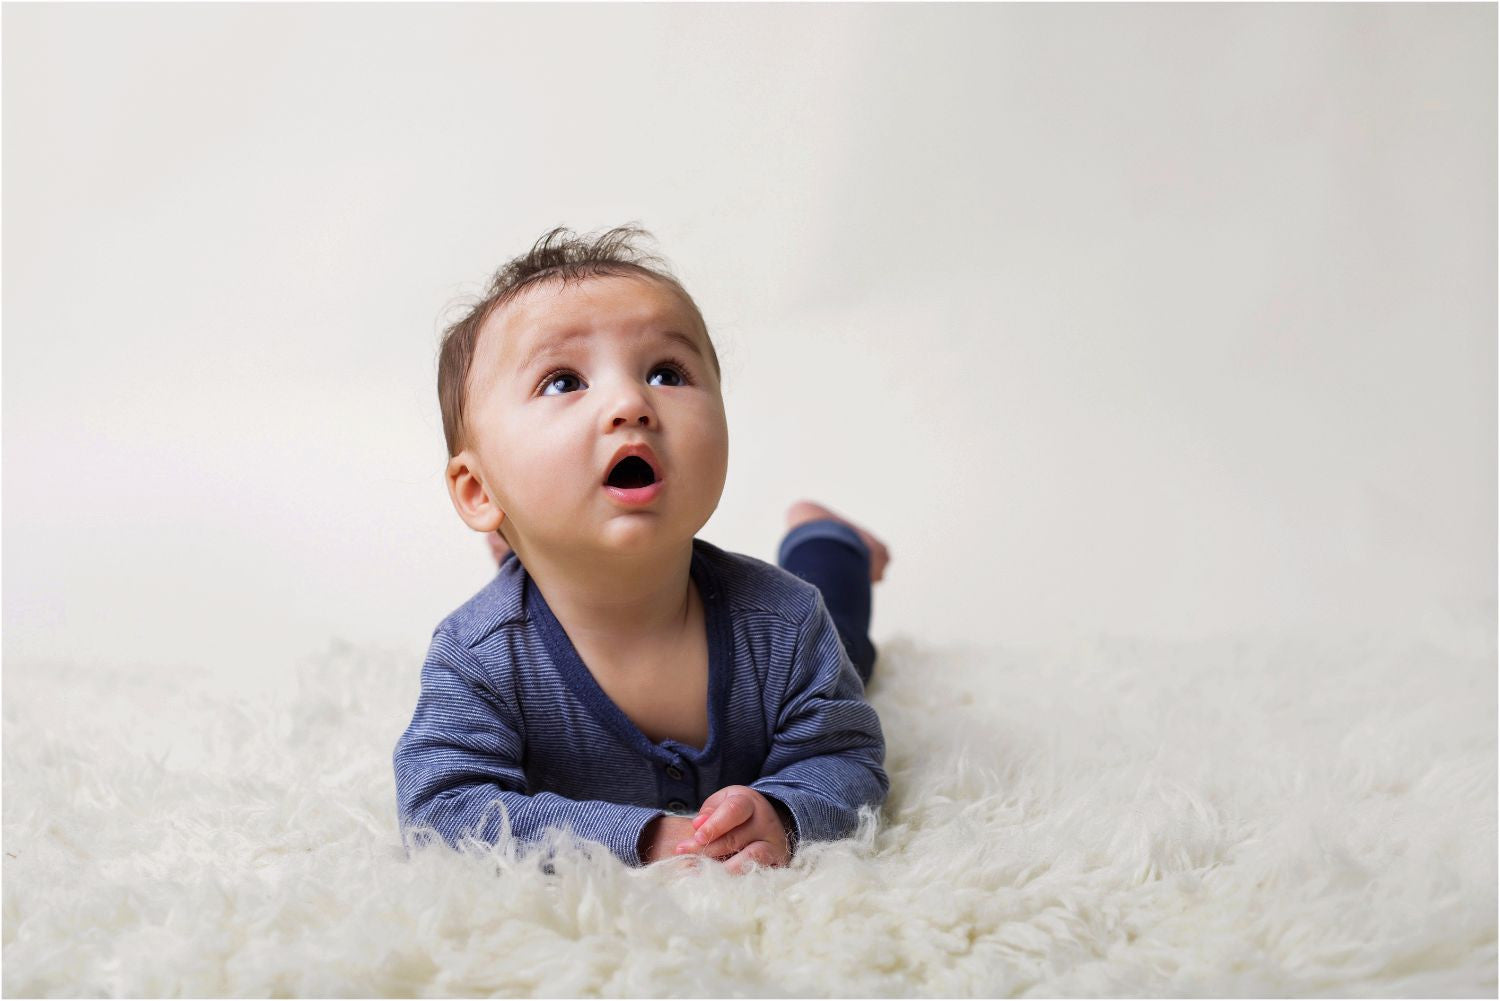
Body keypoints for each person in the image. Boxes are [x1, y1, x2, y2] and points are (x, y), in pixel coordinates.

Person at [393, 225, 891, 874]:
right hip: (526, 581)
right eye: (564, 381)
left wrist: (788, 813)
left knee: (847, 641)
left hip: (783, 621)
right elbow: (443, 809)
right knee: (549, 558)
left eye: (666, 372)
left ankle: (828, 538)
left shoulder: (787, 623)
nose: (631, 401)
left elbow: (847, 760)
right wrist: (643, 837)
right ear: (478, 488)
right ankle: (535, 551)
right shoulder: (480, 657)